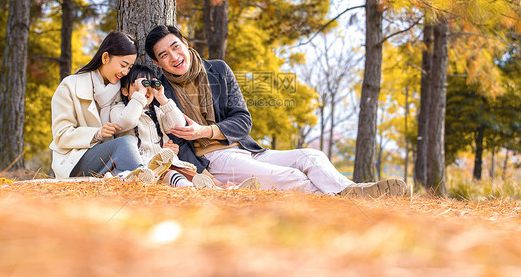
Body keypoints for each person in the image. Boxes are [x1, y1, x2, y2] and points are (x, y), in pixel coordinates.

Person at [144, 25, 408, 198]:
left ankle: (351, 193)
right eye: (164, 55)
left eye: (176, 47)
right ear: (157, 62)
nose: (174, 57)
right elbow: (171, 145)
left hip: (248, 149)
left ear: (185, 43)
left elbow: (242, 120)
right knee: (290, 177)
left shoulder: (218, 70)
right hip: (214, 160)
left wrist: (206, 130)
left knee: (310, 156)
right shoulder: (160, 93)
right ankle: (346, 199)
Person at [110, 64, 260, 190]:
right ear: (124, 90)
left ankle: (227, 189)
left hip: (170, 164)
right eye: (139, 86)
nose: (145, 91)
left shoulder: (157, 112)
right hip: (142, 167)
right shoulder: (119, 109)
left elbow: (178, 124)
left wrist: (162, 98)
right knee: (175, 177)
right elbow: (127, 121)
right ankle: (191, 188)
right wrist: (140, 95)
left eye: (149, 86)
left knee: (196, 177)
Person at [49, 31, 155, 182]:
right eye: (123, 65)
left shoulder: (120, 91)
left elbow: (127, 123)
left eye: (129, 67)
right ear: (105, 57)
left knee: (126, 148)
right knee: (125, 143)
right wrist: (96, 133)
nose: (125, 72)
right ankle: (143, 177)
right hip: (75, 161)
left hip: (110, 161)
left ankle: (137, 176)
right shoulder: (70, 86)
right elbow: (61, 135)